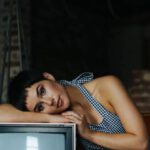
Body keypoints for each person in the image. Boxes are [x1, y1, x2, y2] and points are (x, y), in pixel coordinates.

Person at [8, 70, 149, 150]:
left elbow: (141, 143)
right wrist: (49, 118)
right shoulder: (61, 121)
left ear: (48, 77)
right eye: (40, 107)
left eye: (42, 91)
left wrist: (89, 134)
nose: (49, 102)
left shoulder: (106, 86)